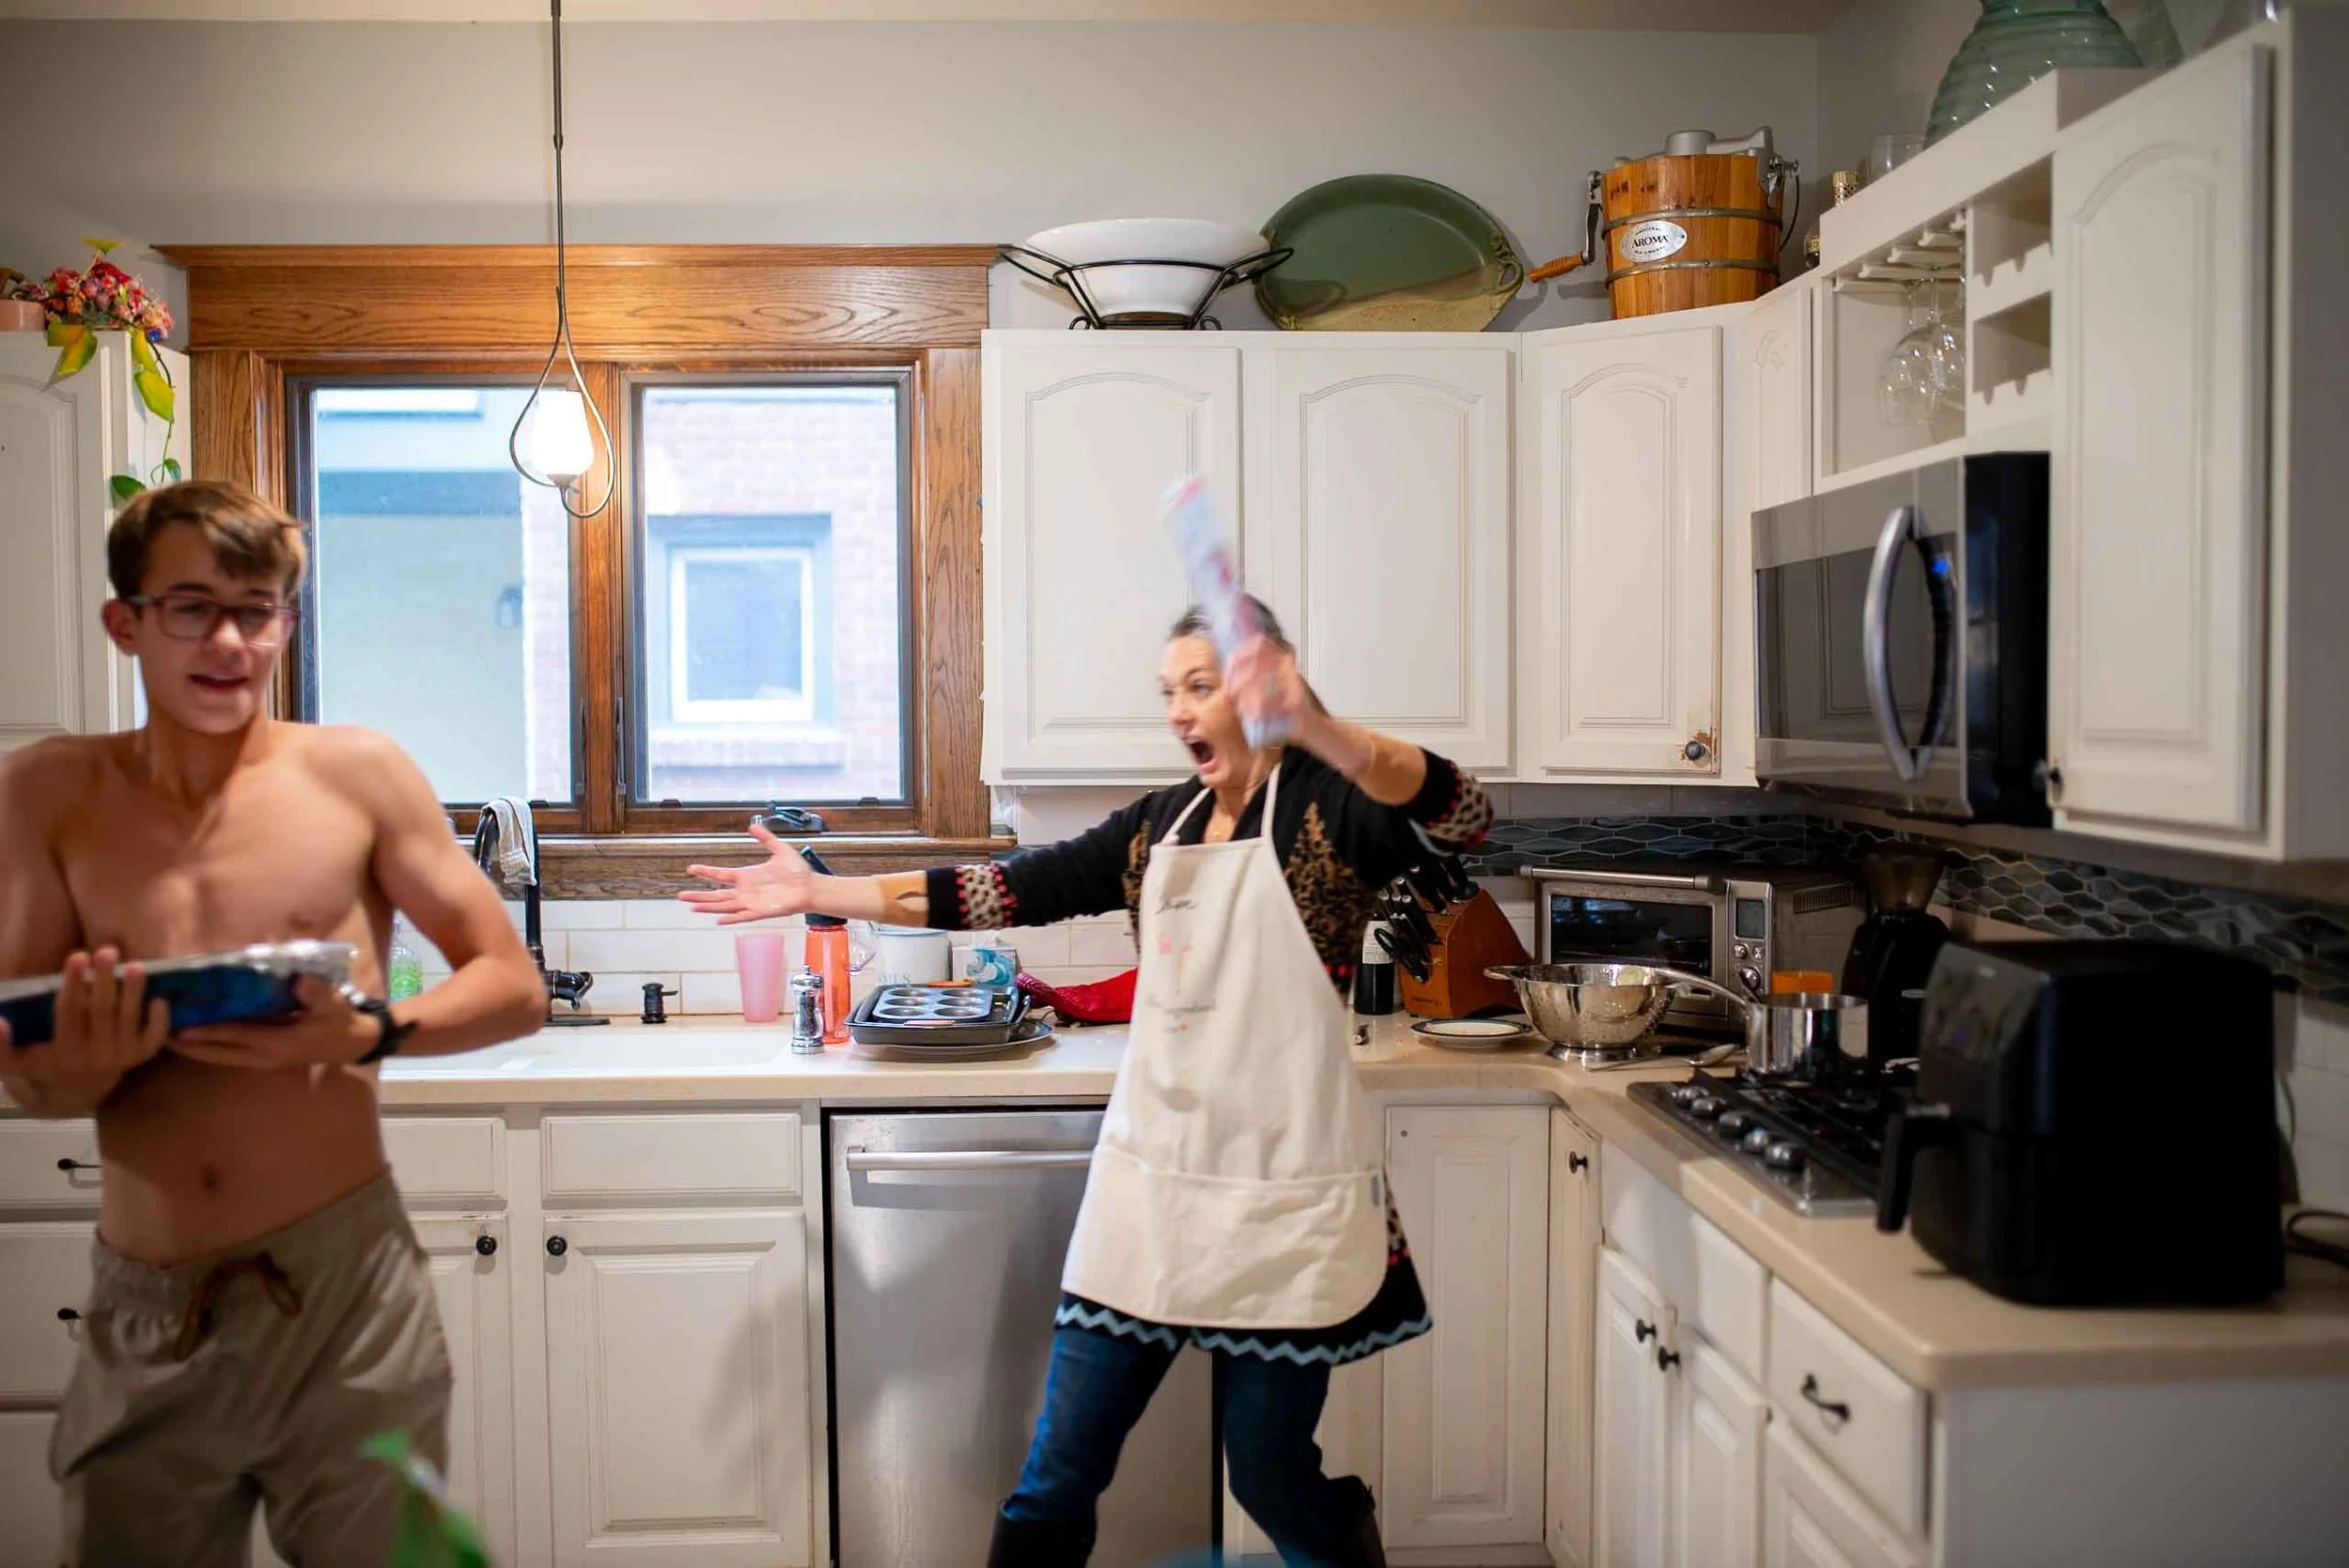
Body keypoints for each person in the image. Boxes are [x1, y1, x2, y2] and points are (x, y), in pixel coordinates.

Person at [683, 601, 1494, 1567]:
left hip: (1282, 1195)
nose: (1178, 709)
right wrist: (822, 890)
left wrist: (1316, 725)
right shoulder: (1157, 826)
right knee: (1056, 1478)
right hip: (1151, 1189)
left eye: (1201, 686)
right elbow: (1001, 889)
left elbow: (1463, 814)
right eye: (1170, 691)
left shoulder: (1332, 812)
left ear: (1262, 688)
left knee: (1270, 1475)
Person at [0, 480, 548, 1566]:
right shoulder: (48, 792)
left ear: (287, 623)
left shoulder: (357, 775)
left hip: (348, 1292)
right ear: (125, 622)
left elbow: (511, 982)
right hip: (147, 1305)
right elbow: (31, 1076)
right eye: (192, 607)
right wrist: (89, 1064)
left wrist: (369, 1032)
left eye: (258, 610)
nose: (229, 642)